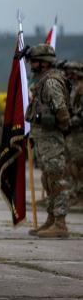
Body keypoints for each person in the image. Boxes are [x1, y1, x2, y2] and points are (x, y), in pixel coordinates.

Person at [26, 44, 73, 238]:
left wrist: (61, 128)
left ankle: (60, 223)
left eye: (34, 61)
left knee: (57, 180)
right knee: (48, 180)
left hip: (52, 138)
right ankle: (51, 219)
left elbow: (61, 110)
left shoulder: (51, 82)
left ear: (44, 63)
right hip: (44, 138)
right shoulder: (42, 80)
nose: (31, 64)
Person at [59, 60, 83, 204]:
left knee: (79, 162)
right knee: (72, 163)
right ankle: (75, 191)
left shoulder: (81, 88)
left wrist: (70, 122)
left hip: (79, 131)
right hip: (72, 132)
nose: (68, 74)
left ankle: (80, 192)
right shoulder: (74, 87)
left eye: (70, 71)